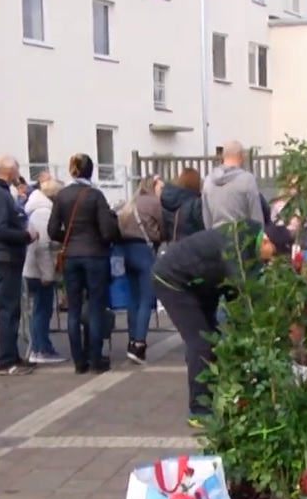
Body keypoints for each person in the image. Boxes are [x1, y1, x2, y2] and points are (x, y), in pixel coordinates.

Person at [153, 221, 292, 427]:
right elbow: (245, 286)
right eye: (274, 256)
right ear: (265, 241)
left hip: (203, 284)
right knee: (201, 343)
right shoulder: (236, 244)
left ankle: (213, 393)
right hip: (173, 280)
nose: (272, 262)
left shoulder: (251, 241)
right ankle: (198, 411)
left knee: (214, 339)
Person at [48, 154, 119, 374]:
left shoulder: (61, 195)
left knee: (73, 309)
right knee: (96, 307)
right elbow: (107, 231)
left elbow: (52, 230)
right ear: (91, 170)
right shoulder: (95, 195)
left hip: (71, 256)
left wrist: (69, 239)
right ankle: (96, 359)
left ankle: (79, 361)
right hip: (95, 255)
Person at [0, 155, 36, 376]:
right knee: (8, 309)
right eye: (17, 169)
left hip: (5, 256)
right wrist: (25, 235)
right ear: (8, 170)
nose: (18, 173)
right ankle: (7, 360)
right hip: (5, 257)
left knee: (11, 309)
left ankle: (12, 355)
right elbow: (0, 229)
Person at [118, 177, 165, 364]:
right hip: (145, 252)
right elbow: (163, 227)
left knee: (134, 299)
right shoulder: (154, 203)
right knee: (147, 299)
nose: (163, 190)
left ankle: (131, 340)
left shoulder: (130, 203)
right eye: (161, 186)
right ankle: (139, 344)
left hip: (127, 252)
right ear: (153, 186)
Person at [23, 178, 65, 364]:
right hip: (39, 271)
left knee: (41, 309)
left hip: (36, 269)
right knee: (42, 309)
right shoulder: (44, 213)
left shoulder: (40, 210)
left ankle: (39, 347)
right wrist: (48, 274)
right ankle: (41, 349)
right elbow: (41, 246)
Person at [201, 141, 264, 230]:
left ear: (223, 156)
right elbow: (256, 215)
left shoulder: (208, 181)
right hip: (242, 237)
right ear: (240, 155)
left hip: (216, 237)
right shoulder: (247, 179)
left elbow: (207, 218)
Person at [161, 168, 205, 242]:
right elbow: (202, 227)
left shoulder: (166, 201)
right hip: (191, 247)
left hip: (172, 247)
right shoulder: (195, 203)